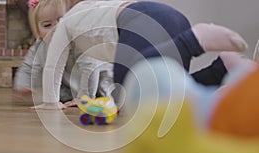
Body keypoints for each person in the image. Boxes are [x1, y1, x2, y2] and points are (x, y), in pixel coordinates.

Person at [37, 0, 249, 109]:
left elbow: (53, 64)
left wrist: (50, 102)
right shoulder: (89, 23)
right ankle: (221, 68)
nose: (53, 28)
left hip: (142, 18)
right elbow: (91, 69)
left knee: (129, 81)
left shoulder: (66, 23)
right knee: (170, 95)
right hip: (166, 15)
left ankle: (194, 41)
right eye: (47, 25)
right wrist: (83, 99)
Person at [14, 0, 114, 109]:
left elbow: (90, 68)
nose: (57, 28)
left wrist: (84, 98)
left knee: (106, 86)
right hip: (71, 87)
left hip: (100, 83)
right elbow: (28, 66)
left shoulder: (80, 42)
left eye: (62, 21)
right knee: (61, 91)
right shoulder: (40, 46)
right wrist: (22, 84)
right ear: (37, 32)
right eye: (47, 25)